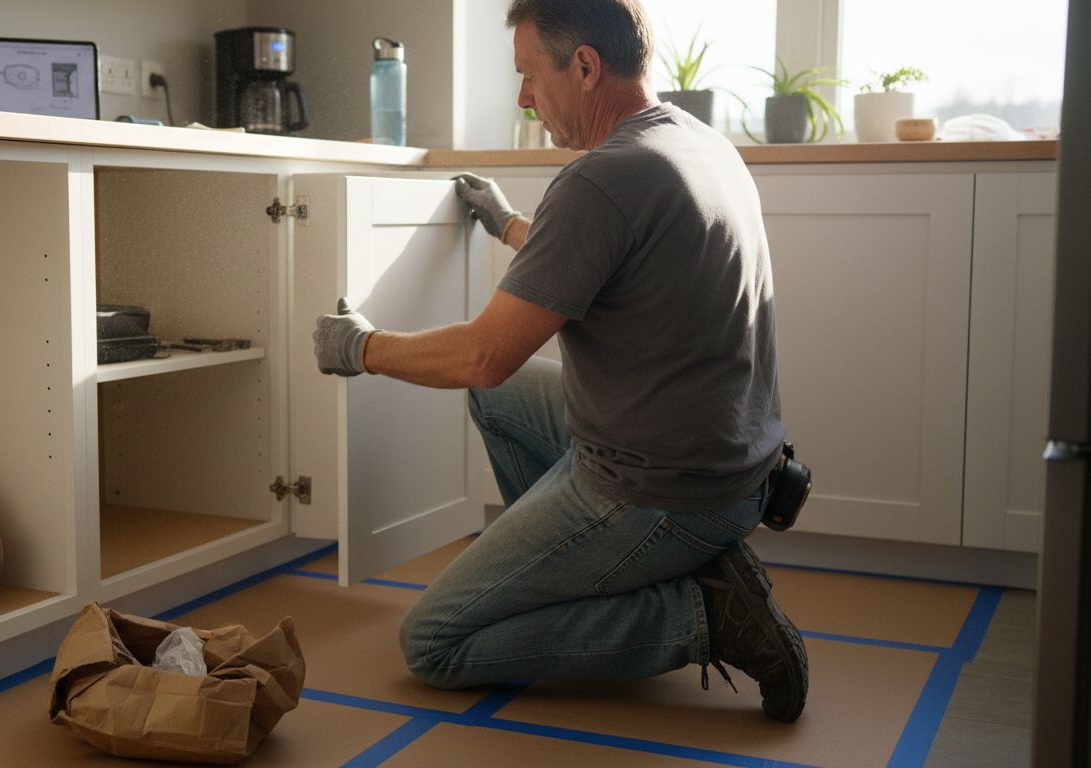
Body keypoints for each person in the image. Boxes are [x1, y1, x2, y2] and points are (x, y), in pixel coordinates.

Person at [312, 0, 808, 723]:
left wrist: (361, 348)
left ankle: (706, 618)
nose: (521, 96)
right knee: (504, 405)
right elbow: (613, 257)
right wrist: (512, 222)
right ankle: (584, 576)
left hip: (662, 490)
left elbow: (485, 356)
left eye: (527, 75)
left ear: (583, 66)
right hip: (731, 466)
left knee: (434, 643)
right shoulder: (696, 144)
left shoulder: (600, 182)